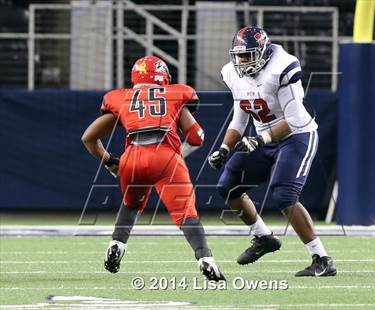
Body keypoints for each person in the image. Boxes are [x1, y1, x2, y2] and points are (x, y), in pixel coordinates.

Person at [81, 55, 225, 281]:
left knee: (131, 204)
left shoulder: (121, 98)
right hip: (165, 157)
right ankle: (205, 258)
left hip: (132, 158)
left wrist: (110, 161)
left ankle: (117, 243)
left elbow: (88, 138)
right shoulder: (175, 94)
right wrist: (177, 154)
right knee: (186, 213)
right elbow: (196, 138)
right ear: (162, 76)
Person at [208, 26, 336, 277]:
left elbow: (295, 119)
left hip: (296, 136)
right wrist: (224, 148)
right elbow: (239, 118)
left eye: (248, 56)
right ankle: (264, 237)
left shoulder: (282, 68)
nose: (242, 62)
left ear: (264, 53)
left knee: (284, 194)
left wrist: (261, 138)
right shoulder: (233, 74)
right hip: (263, 138)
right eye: (239, 56)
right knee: (228, 186)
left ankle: (321, 258)